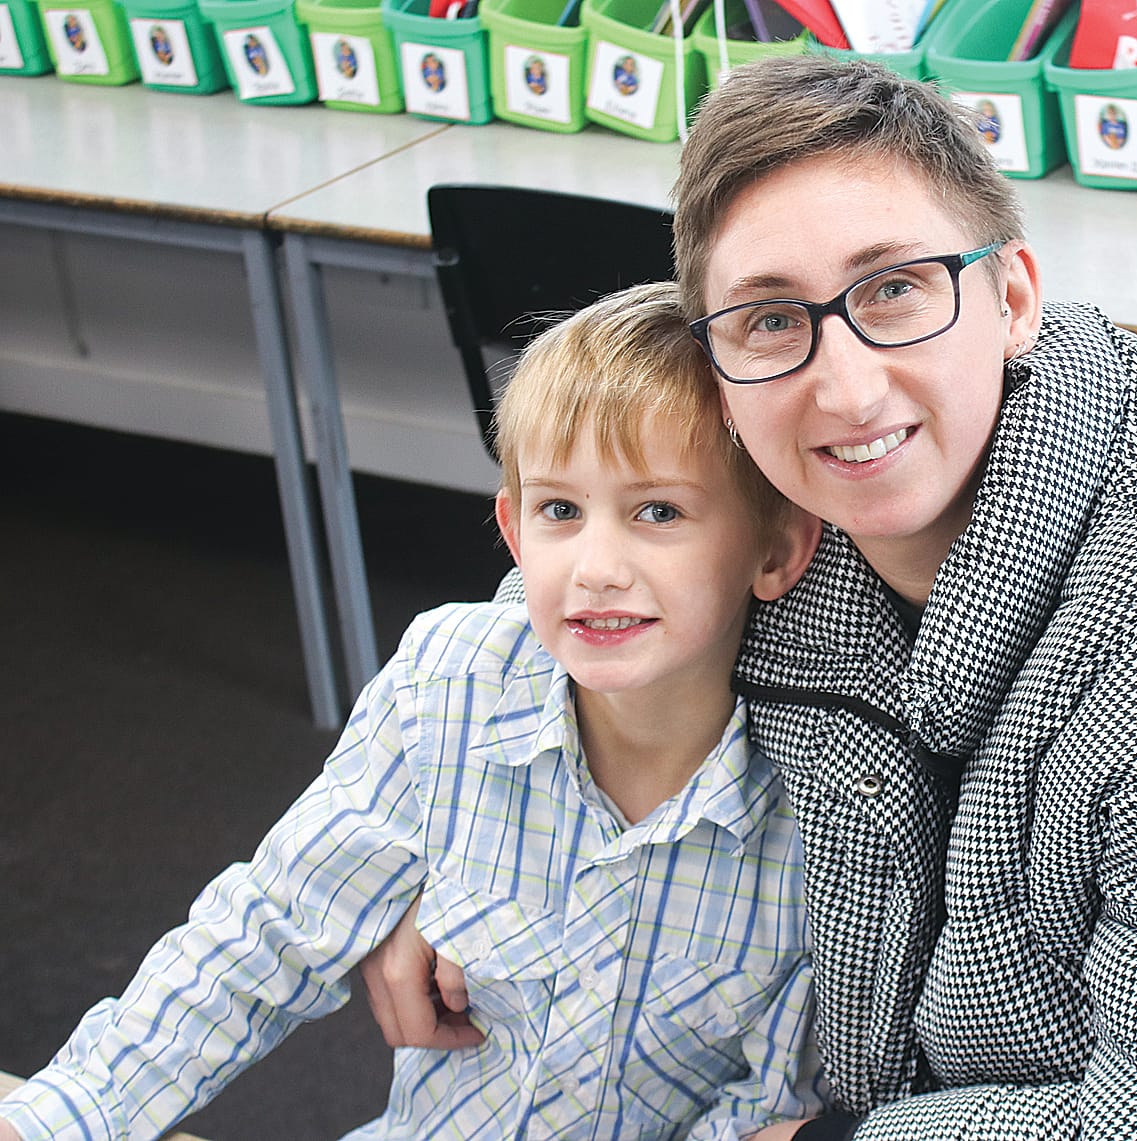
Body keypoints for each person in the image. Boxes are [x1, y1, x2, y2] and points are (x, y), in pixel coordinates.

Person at [365, 55, 1137, 1139]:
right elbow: (606, 605)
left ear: (1013, 297)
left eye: (899, 289)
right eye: (771, 319)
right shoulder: (799, 513)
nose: (846, 389)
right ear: (716, 366)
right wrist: (494, 857)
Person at [0, 283, 826, 1141]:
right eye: (560, 511)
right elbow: (265, 933)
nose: (596, 566)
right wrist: (60, 1119)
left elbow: (762, 1109)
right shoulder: (450, 684)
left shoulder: (818, 801)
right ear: (513, 530)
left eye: (658, 511)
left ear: (775, 547)